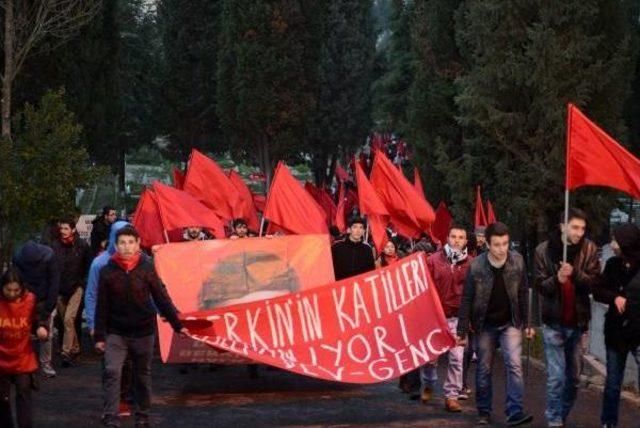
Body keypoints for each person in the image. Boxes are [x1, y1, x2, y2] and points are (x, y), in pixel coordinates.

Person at [94, 226, 187, 427]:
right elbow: (102, 305)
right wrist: (99, 336)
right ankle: (111, 415)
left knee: (142, 375)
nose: (126, 247)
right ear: (115, 246)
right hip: (115, 332)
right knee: (112, 371)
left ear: (137, 244)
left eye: (130, 242)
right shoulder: (106, 271)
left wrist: (178, 325)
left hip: (143, 332)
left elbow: (161, 298)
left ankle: (142, 415)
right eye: (122, 243)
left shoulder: (147, 268)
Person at [457, 222, 534, 426]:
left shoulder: (517, 261)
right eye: (497, 244)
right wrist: (462, 329)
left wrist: (528, 323)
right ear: (488, 245)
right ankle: (484, 411)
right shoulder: (476, 266)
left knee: (515, 365)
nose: (502, 249)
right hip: (484, 325)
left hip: (511, 322)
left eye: (505, 243)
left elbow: (523, 292)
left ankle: (515, 411)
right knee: (484, 369)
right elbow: (466, 298)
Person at [533, 208, 600, 428]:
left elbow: (594, 282)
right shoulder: (543, 250)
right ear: (563, 226)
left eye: (582, 228)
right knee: (556, 377)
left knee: (574, 378)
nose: (579, 232)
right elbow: (540, 286)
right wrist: (557, 279)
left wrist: (575, 275)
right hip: (553, 323)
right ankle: (554, 419)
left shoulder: (589, 249)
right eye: (575, 227)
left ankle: (561, 413)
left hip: (578, 324)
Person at [420, 225, 472, 412]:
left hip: (458, 318)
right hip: (435, 317)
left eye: (461, 237)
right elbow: (424, 285)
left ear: (466, 241)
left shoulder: (471, 264)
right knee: (430, 359)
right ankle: (428, 383)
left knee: (457, 359)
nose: (457, 240)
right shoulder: (433, 260)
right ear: (447, 238)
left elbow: (473, 293)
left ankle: (451, 396)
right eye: (453, 236)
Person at [85, 220, 134, 417]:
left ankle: (124, 399)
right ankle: (112, 403)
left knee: (130, 365)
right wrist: (92, 324)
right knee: (110, 366)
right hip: (106, 324)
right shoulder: (99, 263)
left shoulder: (139, 260)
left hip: (131, 323)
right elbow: (91, 294)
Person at [593, 223, 640, 428]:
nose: (612, 244)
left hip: (639, 331)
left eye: (616, 240)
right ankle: (608, 422)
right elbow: (598, 290)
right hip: (616, 333)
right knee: (612, 383)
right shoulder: (612, 264)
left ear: (626, 243)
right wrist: (615, 298)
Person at [0, 268, 49, 428]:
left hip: (23, 358)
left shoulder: (30, 300)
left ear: (22, 288)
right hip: (1, 359)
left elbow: (38, 318)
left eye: (16, 290)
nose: (12, 294)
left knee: (24, 396)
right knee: (2, 399)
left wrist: (41, 328)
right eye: (8, 290)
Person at [13, 241, 60, 378]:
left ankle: (45, 364)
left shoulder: (48, 256)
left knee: (46, 334)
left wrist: (48, 308)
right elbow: (16, 280)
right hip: (24, 299)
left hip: (44, 299)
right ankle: (22, 362)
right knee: (22, 332)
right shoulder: (18, 256)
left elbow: (54, 283)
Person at [51, 218, 91, 366]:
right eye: (61, 228)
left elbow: (88, 265)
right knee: (64, 321)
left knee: (69, 319)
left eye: (66, 228)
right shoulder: (55, 246)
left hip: (76, 287)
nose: (63, 231)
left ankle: (66, 352)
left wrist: (82, 283)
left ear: (73, 230)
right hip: (60, 289)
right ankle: (75, 348)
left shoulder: (82, 246)